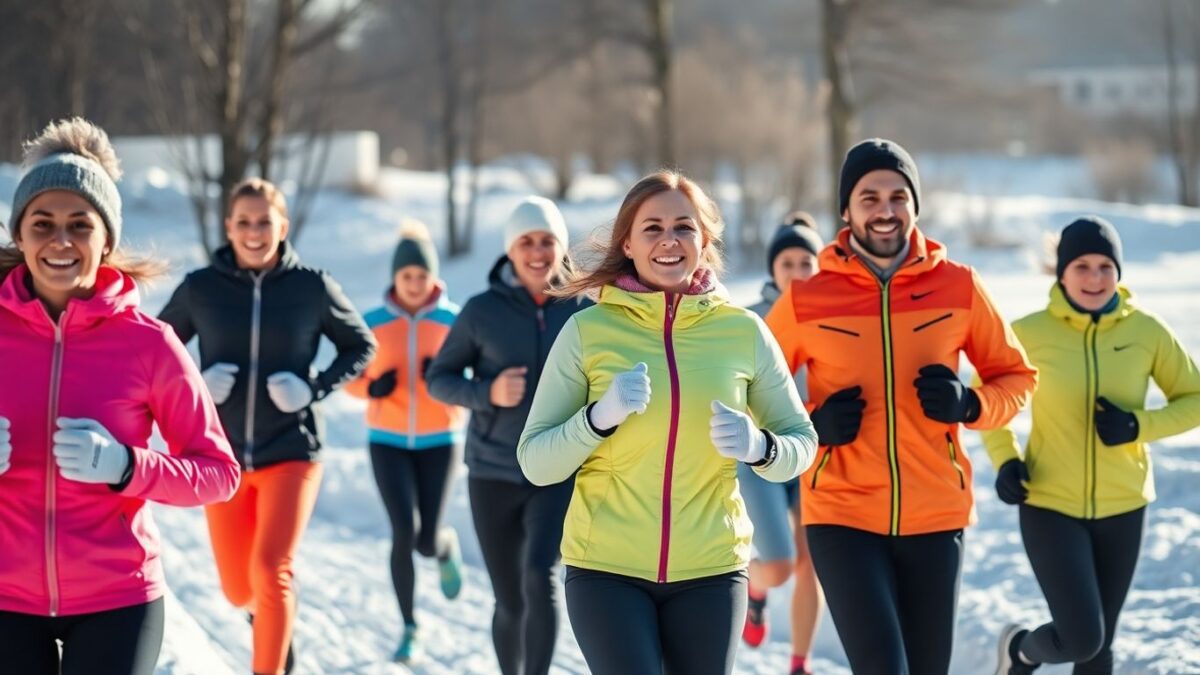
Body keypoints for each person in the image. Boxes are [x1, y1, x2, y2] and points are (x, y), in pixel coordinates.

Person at [518, 170, 818, 675]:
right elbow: (536, 462)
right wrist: (596, 419)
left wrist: (759, 447)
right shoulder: (587, 332)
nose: (669, 240)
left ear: (704, 240)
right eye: (652, 228)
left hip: (713, 570)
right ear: (628, 245)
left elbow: (802, 442)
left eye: (683, 227)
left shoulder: (744, 332)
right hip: (606, 569)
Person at [765, 138, 1038, 675]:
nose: (885, 210)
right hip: (840, 513)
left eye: (897, 196)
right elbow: (751, 394)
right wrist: (811, 424)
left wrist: (970, 404)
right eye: (869, 197)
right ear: (846, 210)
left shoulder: (959, 287)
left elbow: (1018, 378)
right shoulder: (807, 299)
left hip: (936, 513)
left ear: (915, 205)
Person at [0, 118, 240, 675]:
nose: (61, 241)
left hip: (118, 598)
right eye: (43, 223)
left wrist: (126, 466)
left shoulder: (149, 344)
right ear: (21, 235)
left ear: (106, 239)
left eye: (80, 225)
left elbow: (218, 473)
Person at [159, 178, 376, 675]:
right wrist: (194, 382)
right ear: (229, 228)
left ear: (283, 226)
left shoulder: (312, 287)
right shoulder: (201, 288)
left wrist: (314, 386)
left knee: (269, 570)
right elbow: (156, 349)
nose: (254, 231)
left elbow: (361, 345)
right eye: (244, 222)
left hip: (292, 452)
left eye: (264, 221)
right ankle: (277, 617)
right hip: (221, 459)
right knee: (239, 591)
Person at [987, 216, 1200, 675]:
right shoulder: (1029, 333)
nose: (1095, 278)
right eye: (1081, 266)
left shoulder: (1146, 332)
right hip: (1049, 503)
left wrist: (1137, 426)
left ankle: (1021, 654)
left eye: (1106, 267)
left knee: (1099, 648)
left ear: (1119, 272)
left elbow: (1195, 398)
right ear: (1060, 272)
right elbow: (992, 400)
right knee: (1083, 635)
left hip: (1124, 506)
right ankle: (1021, 650)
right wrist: (1005, 461)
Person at [426, 196, 589, 675]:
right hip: (494, 471)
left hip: (557, 471)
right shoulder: (481, 311)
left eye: (547, 241)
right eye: (526, 242)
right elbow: (439, 378)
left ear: (561, 247)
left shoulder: (583, 308)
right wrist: (487, 392)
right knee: (510, 600)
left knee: (541, 577)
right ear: (510, 251)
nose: (538, 252)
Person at [343, 220, 466, 663]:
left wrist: (451, 380)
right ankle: (410, 626)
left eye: (422, 276)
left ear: (433, 277)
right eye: (406, 276)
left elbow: (472, 379)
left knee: (426, 541)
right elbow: (348, 378)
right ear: (395, 278)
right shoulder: (373, 324)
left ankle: (444, 545)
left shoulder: (453, 322)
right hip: (387, 440)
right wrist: (370, 388)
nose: (414, 284)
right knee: (403, 532)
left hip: (440, 440)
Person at [740, 212, 826, 675]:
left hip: (813, 456)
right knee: (780, 565)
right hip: (759, 458)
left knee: (812, 561)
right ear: (773, 268)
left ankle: (800, 663)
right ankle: (754, 590)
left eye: (805, 262)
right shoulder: (750, 320)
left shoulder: (834, 320)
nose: (796, 273)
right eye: (787, 262)